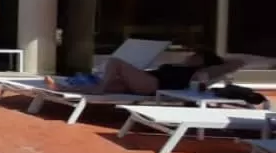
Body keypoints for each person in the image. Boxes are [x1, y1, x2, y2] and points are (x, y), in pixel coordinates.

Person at [47, 48, 224, 96]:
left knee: (115, 62)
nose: (190, 56)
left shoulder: (196, 72)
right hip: (149, 81)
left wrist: (207, 74)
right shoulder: (185, 67)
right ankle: (61, 89)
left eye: (195, 55)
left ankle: (99, 88)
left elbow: (203, 80)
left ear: (200, 60)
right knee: (109, 85)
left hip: (153, 84)